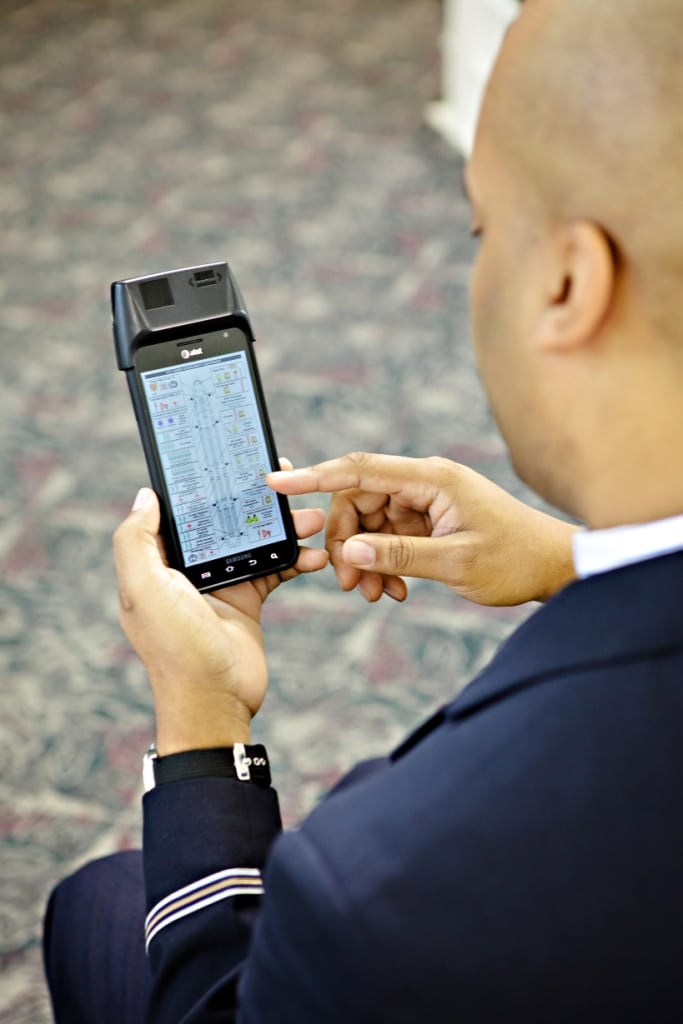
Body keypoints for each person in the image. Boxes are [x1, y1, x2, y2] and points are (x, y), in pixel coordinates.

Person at [44, 0, 683, 1019]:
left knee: (97, 901)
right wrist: (570, 557)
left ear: (567, 280)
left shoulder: (383, 876)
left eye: (480, 228)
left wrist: (202, 717)